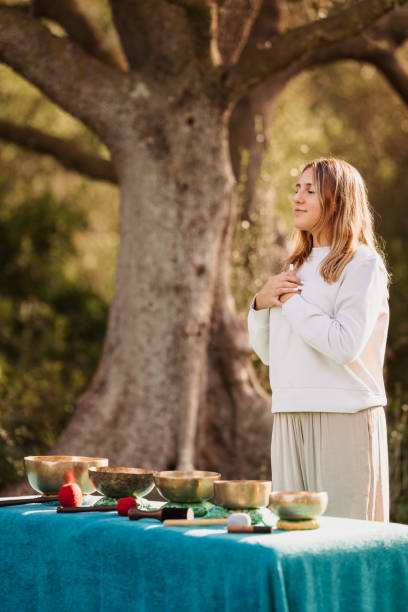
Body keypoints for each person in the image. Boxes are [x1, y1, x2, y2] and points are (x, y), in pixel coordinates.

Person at [248, 157, 390, 521]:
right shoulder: (294, 268)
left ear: (338, 202)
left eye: (311, 190)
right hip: (289, 412)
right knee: (294, 537)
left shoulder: (363, 264)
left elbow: (343, 346)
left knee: (347, 539)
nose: (298, 197)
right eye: (298, 188)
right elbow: (269, 355)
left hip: (345, 413)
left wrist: (291, 302)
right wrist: (260, 304)